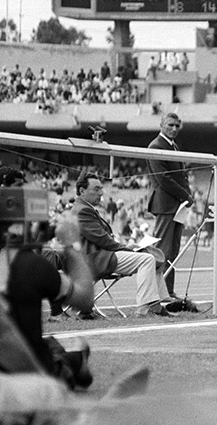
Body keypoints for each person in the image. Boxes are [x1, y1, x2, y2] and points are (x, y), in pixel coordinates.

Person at [0, 186, 95, 390]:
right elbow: (84, 299)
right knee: (55, 349)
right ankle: (74, 360)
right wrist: (71, 244)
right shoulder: (27, 264)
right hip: (22, 378)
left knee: (50, 344)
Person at [72, 171, 182, 317]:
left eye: (101, 188)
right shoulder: (83, 210)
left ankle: (162, 302)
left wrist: (127, 246)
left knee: (151, 255)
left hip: (101, 256)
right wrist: (127, 248)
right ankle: (146, 308)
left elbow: (102, 239)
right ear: (82, 191)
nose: (101, 193)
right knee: (146, 259)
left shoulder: (84, 208)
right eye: (96, 189)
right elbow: (102, 240)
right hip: (95, 260)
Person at [147, 112, 194, 300]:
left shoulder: (173, 146)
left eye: (177, 126)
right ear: (161, 125)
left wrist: (187, 195)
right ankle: (158, 293)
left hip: (177, 205)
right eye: (170, 125)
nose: (174, 129)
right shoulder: (156, 146)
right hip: (165, 205)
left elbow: (181, 176)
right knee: (162, 250)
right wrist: (186, 195)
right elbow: (164, 179)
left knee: (173, 251)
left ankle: (169, 291)